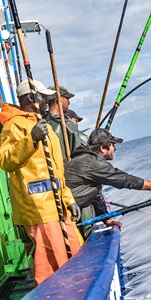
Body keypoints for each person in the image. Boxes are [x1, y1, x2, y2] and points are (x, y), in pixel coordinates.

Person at [0, 80, 81, 285]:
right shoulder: (14, 125)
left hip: (56, 205)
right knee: (51, 261)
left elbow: (56, 170)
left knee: (74, 250)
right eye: (43, 97)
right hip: (37, 207)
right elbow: (6, 161)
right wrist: (32, 139)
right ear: (30, 98)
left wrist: (68, 199)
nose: (47, 101)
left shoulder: (40, 123)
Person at [64, 128, 151, 239]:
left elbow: (96, 195)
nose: (115, 148)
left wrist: (106, 218)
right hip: (63, 216)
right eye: (112, 145)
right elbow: (123, 179)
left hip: (68, 213)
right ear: (103, 148)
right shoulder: (92, 162)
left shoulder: (85, 159)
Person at [46, 85, 86, 162]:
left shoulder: (40, 122)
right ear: (58, 99)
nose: (69, 102)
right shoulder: (66, 124)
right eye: (67, 98)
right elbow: (79, 154)